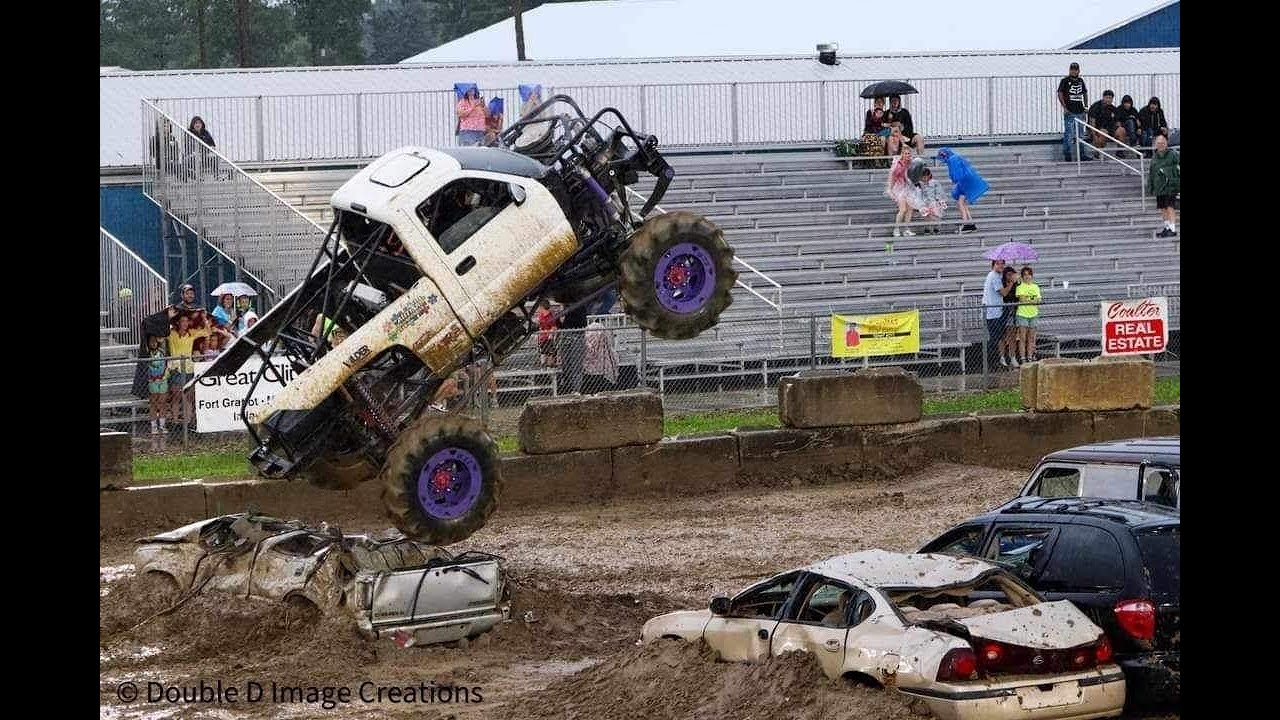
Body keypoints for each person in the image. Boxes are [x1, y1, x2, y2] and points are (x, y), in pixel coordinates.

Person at [166, 309, 212, 432]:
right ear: (178, 323)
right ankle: (175, 421)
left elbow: (208, 332)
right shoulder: (172, 334)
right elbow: (164, 330)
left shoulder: (191, 333)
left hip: (189, 367)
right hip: (176, 367)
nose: (185, 323)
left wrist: (204, 318)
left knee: (188, 397)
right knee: (176, 396)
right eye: (183, 321)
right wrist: (170, 316)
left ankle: (188, 421)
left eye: (187, 321)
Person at [937, 148, 989, 233]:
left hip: (965, 181)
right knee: (963, 203)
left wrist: (955, 183)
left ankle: (966, 224)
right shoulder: (955, 157)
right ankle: (970, 223)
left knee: (960, 203)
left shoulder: (952, 159)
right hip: (967, 180)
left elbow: (956, 174)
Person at [1147, 134, 1180, 238]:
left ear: (1166, 143)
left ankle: (1172, 228)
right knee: (1162, 207)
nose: (1160, 145)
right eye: (1158, 143)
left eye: (1162, 143)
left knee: (1170, 207)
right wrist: (1151, 186)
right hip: (1159, 186)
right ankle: (1166, 227)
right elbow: (1152, 172)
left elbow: (1177, 167)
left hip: (1170, 185)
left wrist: (1166, 171)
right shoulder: (1155, 156)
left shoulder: (1172, 154)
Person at [885, 146, 920, 237]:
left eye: (909, 153)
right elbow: (893, 177)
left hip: (907, 188)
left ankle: (906, 229)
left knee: (910, 209)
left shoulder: (911, 164)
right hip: (899, 188)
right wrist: (890, 189)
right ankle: (896, 229)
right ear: (902, 154)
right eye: (905, 153)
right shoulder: (898, 164)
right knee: (903, 209)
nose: (907, 155)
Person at [1057, 62, 1089, 162]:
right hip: (1070, 112)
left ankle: (1082, 154)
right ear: (1070, 70)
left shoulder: (1080, 81)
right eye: (1072, 69)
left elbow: (1085, 93)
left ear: (1079, 70)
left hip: (1080, 111)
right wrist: (1065, 107)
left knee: (1080, 134)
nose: (1074, 71)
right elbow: (1060, 93)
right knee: (1069, 133)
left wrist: (1086, 106)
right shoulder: (1065, 81)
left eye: (1076, 69)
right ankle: (1068, 154)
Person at [1014, 266, 1042, 365]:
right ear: (1022, 277)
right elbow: (1022, 300)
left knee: (1031, 338)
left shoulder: (1035, 287)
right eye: (1025, 275)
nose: (1027, 276)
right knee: (1023, 337)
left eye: (1029, 274)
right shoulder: (1020, 287)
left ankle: (1030, 356)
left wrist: (1029, 300)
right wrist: (1032, 300)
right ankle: (1022, 357)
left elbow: (1038, 300)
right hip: (1022, 314)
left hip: (1033, 314)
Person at [983, 259, 1007, 371]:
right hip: (994, 313)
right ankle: (991, 363)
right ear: (993, 265)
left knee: (995, 338)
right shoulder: (995, 277)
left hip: (993, 311)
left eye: (1003, 263)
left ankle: (993, 362)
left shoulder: (991, 275)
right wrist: (1011, 283)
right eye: (998, 263)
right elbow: (1003, 292)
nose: (1001, 266)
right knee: (994, 338)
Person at [1086, 90, 1125, 157]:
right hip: (1097, 129)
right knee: (1103, 132)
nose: (1108, 100)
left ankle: (1120, 152)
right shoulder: (1096, 107)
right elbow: (1092, 123)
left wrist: (1119, 126)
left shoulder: (1113, 108)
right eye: (1107, 98)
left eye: (1110, 98)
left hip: (1109, 129)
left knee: (1121, 130)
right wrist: (1094, 135)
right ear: (1103, 97)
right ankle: (1098, 152)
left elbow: (1117, 121)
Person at [145, 334, 170, 435]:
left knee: (162, 402)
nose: (153, 343)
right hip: (152, 380)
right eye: (151, 341)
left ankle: (162, 425)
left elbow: (163, 340)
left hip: (162, 379)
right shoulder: (147, 353)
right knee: (154, 403)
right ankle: (154, 426)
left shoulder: (162, 351)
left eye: (155, 341)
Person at [998, 266, 1021, 368]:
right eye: (1008, 275)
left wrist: (1018, 281)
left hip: (1013, 312)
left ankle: (1012, 357)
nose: (1010, 276)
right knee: (1002, 336)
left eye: (1012, 274)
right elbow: (1004, 295)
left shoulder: (1017, 284)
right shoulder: (1002, 284)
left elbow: (1019, 296)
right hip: (1003, 312)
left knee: (1012, 336)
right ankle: (1002, 357)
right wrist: (1010, 284)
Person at [915, 167, 948, 234]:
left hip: (934, 201)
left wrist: (938, 200)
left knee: (936, 214)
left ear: (929, 175)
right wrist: (920, 204)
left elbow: (939, 192)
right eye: (922, 177)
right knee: (926, 214)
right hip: (924, 202)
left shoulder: (935, 183)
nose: (923, 179)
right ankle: (928, 228)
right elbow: (918, 194)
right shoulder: (920, 184)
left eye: (925, 177)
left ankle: (936, 228)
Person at [535, 299, 558, 367]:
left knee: (550, 352)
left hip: (548, 337)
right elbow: (539, 325)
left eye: (540, 307)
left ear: (542, 307)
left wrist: (550, 334)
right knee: (543, 352)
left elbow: (554, 327)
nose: (539, 309)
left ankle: (550, 365)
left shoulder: (550, 316)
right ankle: (544, 365)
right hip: (542, 337)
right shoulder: (541, 315)